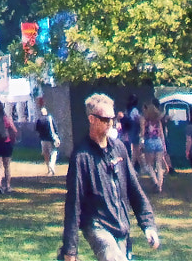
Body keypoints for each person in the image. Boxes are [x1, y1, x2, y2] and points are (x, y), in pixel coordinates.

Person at [59, 94, 158, 261]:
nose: (111, 123)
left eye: (112, 118)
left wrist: (148, 225)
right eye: (105, 119)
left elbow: (135, 191)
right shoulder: (81, 156)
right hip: (97, 225)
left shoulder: (119, 148)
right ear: (92, 119)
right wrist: (70, 248)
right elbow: (73, 203)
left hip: (121, 225)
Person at [137, 103, 168, 194]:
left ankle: (155, 182)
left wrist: (140, 142)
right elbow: (162, 133)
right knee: (159, 165)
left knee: (149, 165)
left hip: (149, 141)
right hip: (158, 141)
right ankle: (160, 186)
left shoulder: (144, 119)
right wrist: (164, 145)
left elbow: (142, 133)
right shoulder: (158, 121)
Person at [0, 100, 17, 195]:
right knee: (7, 166)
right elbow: (14, 130)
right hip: (6, 143)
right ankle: (8, 186)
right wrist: (13, 139)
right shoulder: (6, 118)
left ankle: (0, 186)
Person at [34, 99, 58, 176]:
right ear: (46, 112)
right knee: (53, 152)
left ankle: (48, 168)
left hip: (43, 139)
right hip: (51, 139)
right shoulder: (50, 118)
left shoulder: (39, 120)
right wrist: (57, 136)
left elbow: (37, 130)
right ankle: (52, 166)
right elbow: (54, 128)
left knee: (46, 154)